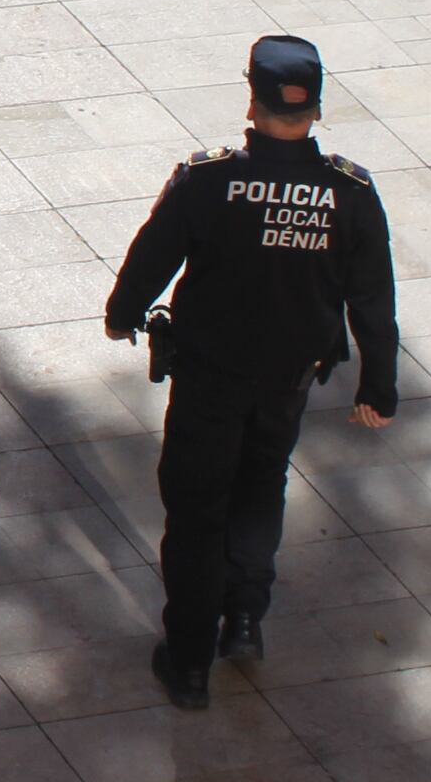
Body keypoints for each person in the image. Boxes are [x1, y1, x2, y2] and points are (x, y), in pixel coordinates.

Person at [103, 36, 402, 711]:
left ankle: (187, 661)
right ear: (317, 109)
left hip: (209, 381)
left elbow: (152, 257)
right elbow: (373, 298)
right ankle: (243, 619)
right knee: (260, 489)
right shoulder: (348, 192)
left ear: (251, 99)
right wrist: (378, 386)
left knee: (197, 509)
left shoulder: (208, 181)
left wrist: (122, 315)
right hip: (287, 382)